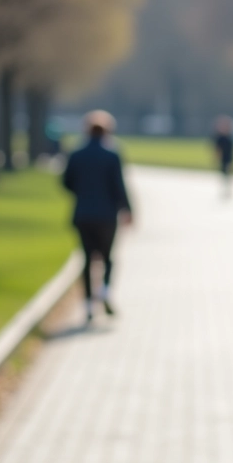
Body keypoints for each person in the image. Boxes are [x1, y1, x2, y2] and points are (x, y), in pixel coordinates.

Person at [62, 110, 132, 323]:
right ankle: (104, 291)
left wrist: (82, 193)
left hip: (83, 214)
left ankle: (87, 304)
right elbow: (119, 186)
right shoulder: (113, 154)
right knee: (107, 257)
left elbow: (66, 182)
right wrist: (127, 209)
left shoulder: (76, 153)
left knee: (86, 258)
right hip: (107, 215)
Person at [212, 115, 233, 197]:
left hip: (229, 157)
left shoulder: (230, 137)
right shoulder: (220, 138)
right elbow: (218, 149)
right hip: (223, 158)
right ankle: (225, 189)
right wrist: (216, 158)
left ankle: (228, 189)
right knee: (224, 174)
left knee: (228, 174)